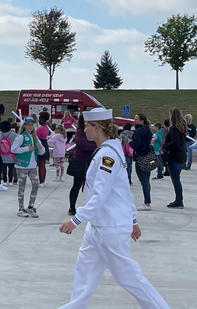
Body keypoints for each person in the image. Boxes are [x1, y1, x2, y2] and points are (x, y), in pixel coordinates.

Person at [58, 108, 170, 309]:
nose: (82, 130)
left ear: (97, 128)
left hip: (109, 226)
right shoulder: (109, 150)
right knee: (84, 273)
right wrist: (133, 220)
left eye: (85, 127)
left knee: (129, 277)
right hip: (99, 225)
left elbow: (101, 195)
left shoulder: (106, 155)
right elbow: (123, 190)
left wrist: (76, 220)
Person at [11, 116, 45, 217]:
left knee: (36, 184)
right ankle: (21, 208)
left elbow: (42, 152)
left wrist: (40, 148)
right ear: (24, 125)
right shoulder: (21, 137)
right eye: (28, 125)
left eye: (32, 125)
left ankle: (31, 206)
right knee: (22, 187)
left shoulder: (35, 137)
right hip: (21, 165)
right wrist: (26, 149)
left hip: (32, 165)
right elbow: (13, 149)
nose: (30, 127)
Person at [67, 114, 96, 216]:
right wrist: (97, 145)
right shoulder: (80, 132)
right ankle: (72, 207)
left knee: (92, 186)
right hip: (80, 162)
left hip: (90, 161)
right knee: (76, 185)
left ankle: (93, 207)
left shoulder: (92, 131)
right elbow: (84, 145)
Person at [163, 107, 187, 209]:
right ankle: (179, 199)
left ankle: (179, 200)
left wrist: (166, 146)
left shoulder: (173, 129)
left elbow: (175, 143)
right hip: (182, 155)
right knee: (177, 179)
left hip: (175, 156)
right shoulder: (182, 127)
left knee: (175, 180)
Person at [130, 113, 153, 211]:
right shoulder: (148, 130)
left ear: (142, 121)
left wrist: (130, 142)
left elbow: (136, 145)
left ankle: (147, 203)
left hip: (140, 157)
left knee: (143, 180)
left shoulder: (138, 131)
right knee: (147, 180)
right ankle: (147, 201)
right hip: (148, 156)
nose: (135, 121)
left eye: (137, 119)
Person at [0, 120, 18, 186]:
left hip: (2, 153)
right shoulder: (13, 134)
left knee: (3, 168)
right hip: (11, 153)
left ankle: (4, 180)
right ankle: (10, 180)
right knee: (11, 168)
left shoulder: (0, 134)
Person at [36, 112, 51, 187]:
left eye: (40, 119)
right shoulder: (46, 127)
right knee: (43, 165)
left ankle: (41, 181)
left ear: (43, 119)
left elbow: (35, 137)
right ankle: (43, 181)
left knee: (41, 164)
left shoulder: (40, 129)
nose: (39, 120)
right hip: (45, 144)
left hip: (41, 144)